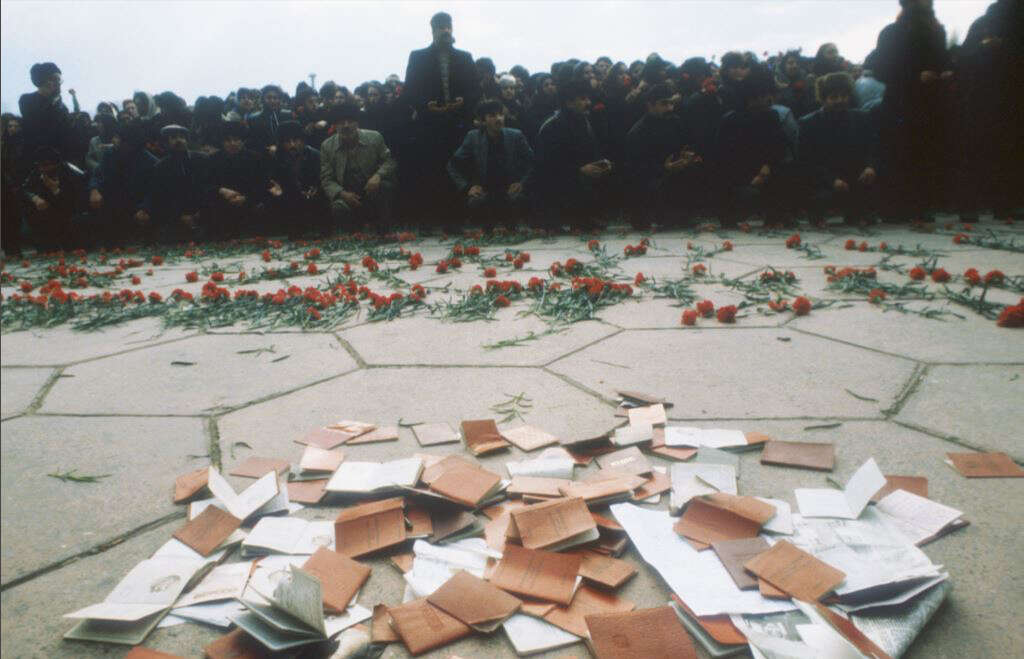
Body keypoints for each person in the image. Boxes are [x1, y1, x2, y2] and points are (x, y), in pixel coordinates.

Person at [873, 0, 953, 221]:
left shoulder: (937, 31)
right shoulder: (891, 33)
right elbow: (880, 69)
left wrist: (947, 71)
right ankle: (896, 207)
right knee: (900, 153)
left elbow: (943, 60)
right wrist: (915, 77)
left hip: (931, 103)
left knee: (925, 154)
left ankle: (921, 205)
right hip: (901, 102)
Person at [402, 11, 480, 224]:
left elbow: (475, 90)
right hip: (430, 125)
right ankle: (432, 218)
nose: (446, 30)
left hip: (458, 123)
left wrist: (463, 102)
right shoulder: (418, 57)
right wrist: (426, 106)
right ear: (433, 31)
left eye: (448, 27)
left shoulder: (465, 57)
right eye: (441, 27)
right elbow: (410, 91)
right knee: (432, 169)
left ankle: (459, 217)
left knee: (459, 168)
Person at [798, 72, 879, 225]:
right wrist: (831, 180)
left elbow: (873, 147)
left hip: (856, 177)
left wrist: (870, 166)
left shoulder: (862, 118)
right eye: (834, 97)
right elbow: (807, 161)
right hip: (823, 180)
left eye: (843, 96)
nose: (840, 101)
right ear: (823, 99)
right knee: (820, 195)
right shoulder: (808, 123)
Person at [532, 79, 613, 228]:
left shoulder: (584, 121)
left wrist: (601, 163)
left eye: (588, 98)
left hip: (579, 179)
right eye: (583, 99)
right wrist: (579, 169)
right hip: (556, 184)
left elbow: (590, 152)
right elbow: (545, 166)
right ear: (569, 103)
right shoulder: (551, 126)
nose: (588, 103)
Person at [714, 65, 789, 227]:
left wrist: (767, 166)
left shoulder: (771, 116)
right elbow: (725, 157)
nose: (768, 100)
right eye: (763, 96)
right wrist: (750, 177)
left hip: (765, 169)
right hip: (738, 173)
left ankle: (776, 216)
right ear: (751, 98)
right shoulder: (731, 120)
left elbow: (779, 146)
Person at [624, 83, 705, 227]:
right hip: (650, 178)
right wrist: (665, 167)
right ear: (650, 105)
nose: (669, 108)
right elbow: (635, 169)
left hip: (674, 172)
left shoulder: (675, 121)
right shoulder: (638, 132)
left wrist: (687, 156)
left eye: (671, 103)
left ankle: (681, 216)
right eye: (664, 104)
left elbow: (687, 145)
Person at [447, 100, 534, 228]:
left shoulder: (515, 136)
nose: (498, 119)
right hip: (485, 190)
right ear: (483, 120)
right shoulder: (473, 137)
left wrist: (522, 183)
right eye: (492, 115)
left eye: (501, 114)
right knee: (475, 203)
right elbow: (452, 165)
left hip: (509, 189)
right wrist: (467, 187)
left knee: (519, 201)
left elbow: (533, 163)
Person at [319, 103, 397, 232]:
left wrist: (378, 176)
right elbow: (326, 179)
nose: (346, 126)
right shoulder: (327, 146)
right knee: (338, 207)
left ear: (357, 123)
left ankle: (382, 227)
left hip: (372, 189)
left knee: (385, 186)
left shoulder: (374, 137)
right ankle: (355, 230)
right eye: (341, 122)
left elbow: (390, 161)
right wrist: (342, 194)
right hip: (347, 194)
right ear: (335, 126)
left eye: (350, 121)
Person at [88, 121, 160, 245]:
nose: (113, 140)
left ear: (129, 143)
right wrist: (94, 190)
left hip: (138, 206)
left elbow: (155, 190)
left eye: (117, 138)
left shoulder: (151, 162)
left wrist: (145, 208)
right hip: (114, 203)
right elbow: (97, 175)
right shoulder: (109, 154)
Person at [206, 121, 273, 239]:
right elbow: (206, 185)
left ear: (243, 141)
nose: (232, 143)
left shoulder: (255, 158)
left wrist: (246, 198)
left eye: (236, 139)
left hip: (250, 205)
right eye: (228, 140)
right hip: (222, 206)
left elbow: (264, 184)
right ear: (222, 142)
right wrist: (221, 190)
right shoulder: (212, 160)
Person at [144, 124, 208, 242]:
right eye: (173, 138)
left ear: (187, 140)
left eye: (182, 137)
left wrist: (200, 212)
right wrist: (180, 216)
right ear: (166, 142)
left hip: (201, 210)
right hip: (176, 213)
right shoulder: (161, 167)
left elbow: (207, 186)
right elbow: (160, 196)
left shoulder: (202, 159)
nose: (179, 140)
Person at [20, 146, 86, 251]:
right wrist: (35, 198)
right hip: (49, 210)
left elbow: (77, 201)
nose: (42, 169)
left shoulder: (73, 173)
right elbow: (25, 189)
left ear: (56, 164)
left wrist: (55, 190)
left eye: (46, 165)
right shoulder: (38, 171)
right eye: (40, 165)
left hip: (72, 212)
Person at [268, 120, 325, 238]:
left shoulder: (315, 155)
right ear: (282, 143)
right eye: (287, 142)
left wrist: (316, 188)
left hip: (312, 194)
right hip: (289, 195)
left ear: (302, 140)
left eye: (296, 140)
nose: (292, 145)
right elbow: (272, 180)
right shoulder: (276, 158)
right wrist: (276, 188)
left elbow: (322, 177)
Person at [18, 62, 75, 160]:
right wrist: (53, 102)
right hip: (33, 157)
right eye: (53, 79)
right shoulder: (26, 100)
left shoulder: (62, 108)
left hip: (57, 159)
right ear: (41, 81)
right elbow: (37, 124)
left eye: (59, 80)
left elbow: (65, 136)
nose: (58, 83)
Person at [246, 85, 293, 157]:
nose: (272, 101)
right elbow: (253, 142)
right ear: (263, 99)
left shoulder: (288, 115)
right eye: (269, 98)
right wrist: (267, 149)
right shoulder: (254, 119)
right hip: (264, 156)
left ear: (279, 100)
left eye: (275, 98)